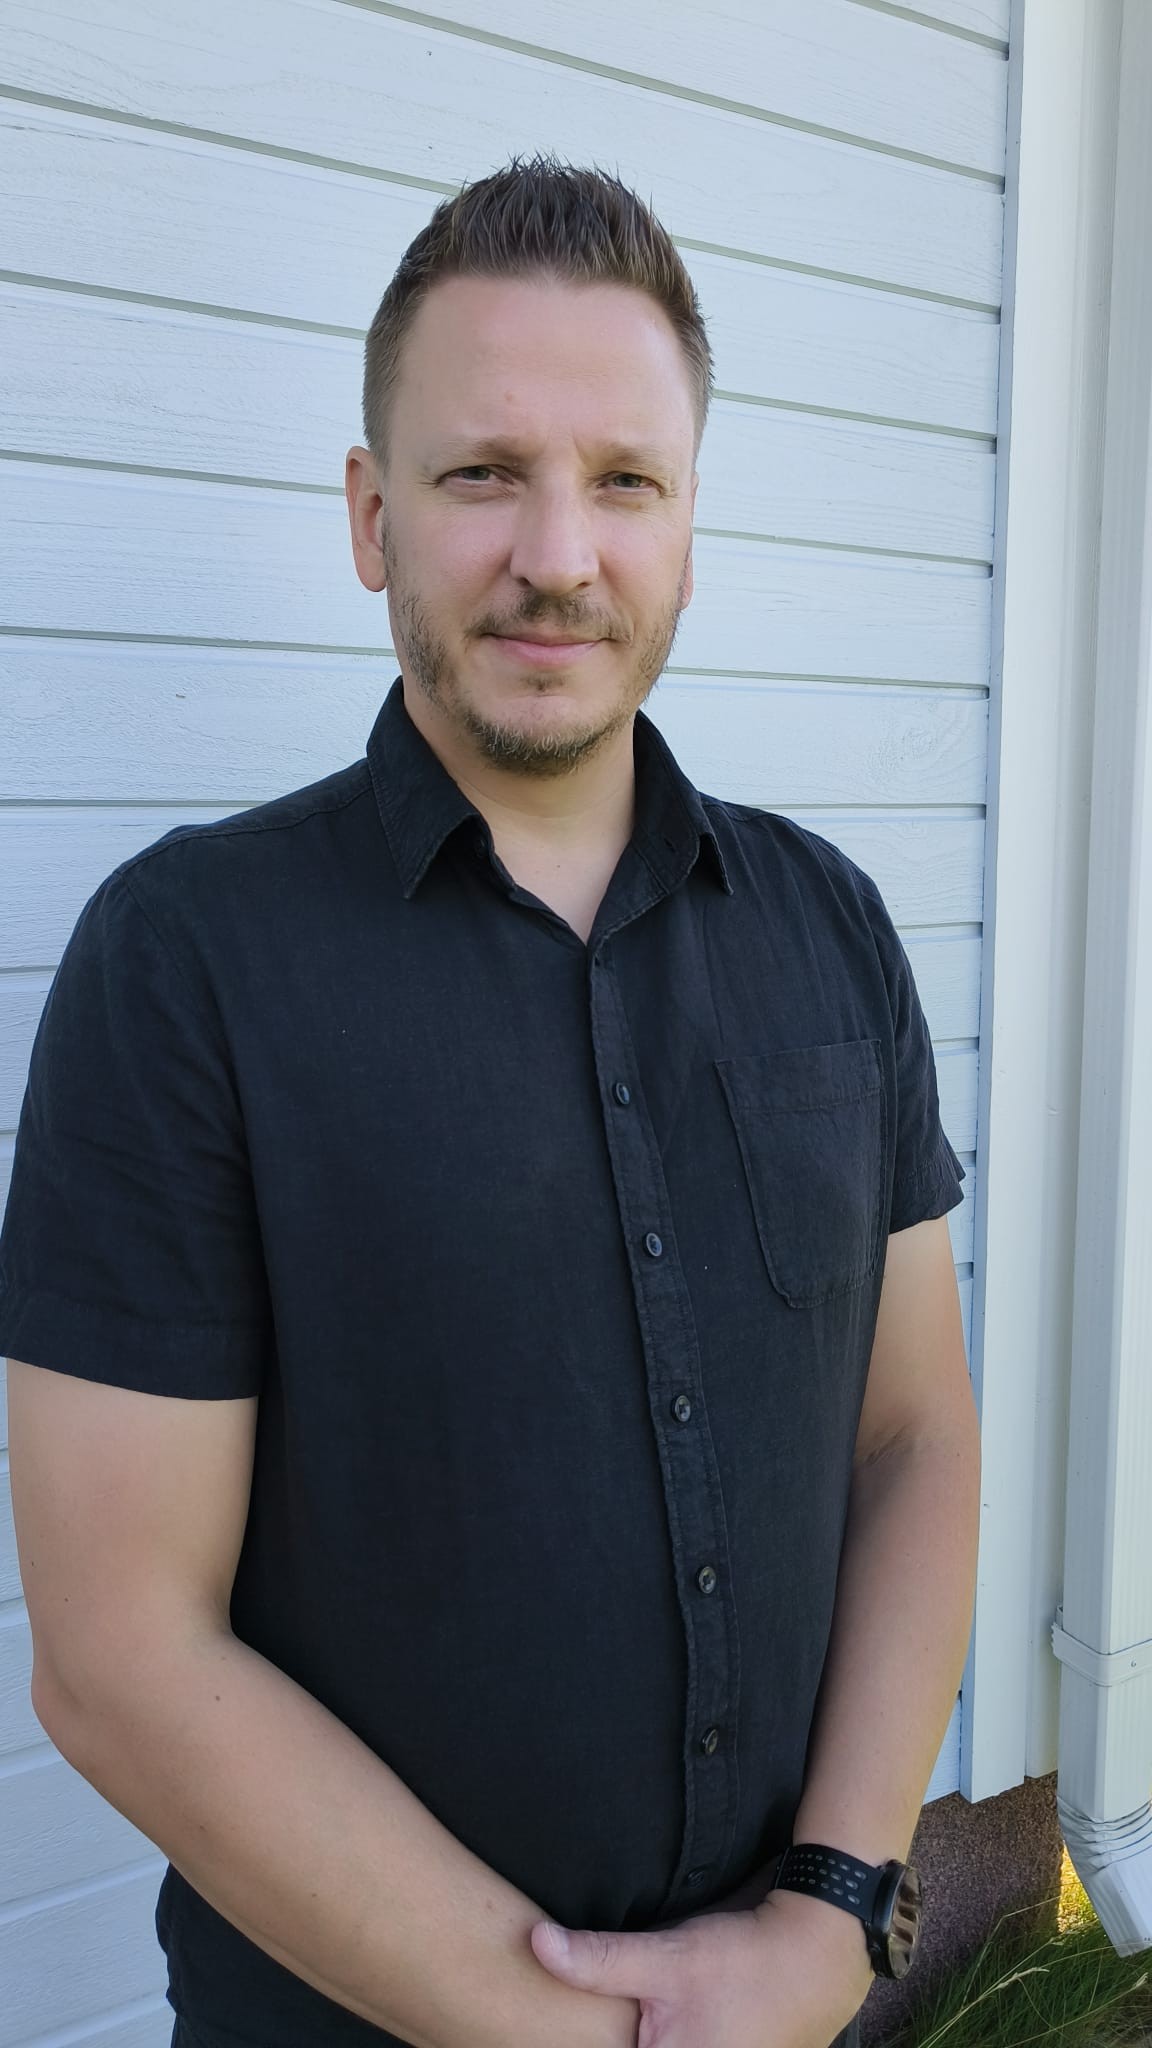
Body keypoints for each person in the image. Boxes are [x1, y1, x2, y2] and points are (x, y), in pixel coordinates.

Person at [2, 156, 981, 2048]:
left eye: (624, 481)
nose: (559, 552)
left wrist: (835, 1911)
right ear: (373, 517)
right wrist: (605, 2038)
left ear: (688, 522)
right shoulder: (183, 964)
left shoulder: (833, 932)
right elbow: (120, 1656)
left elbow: (914, 1439)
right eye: (482, 475)